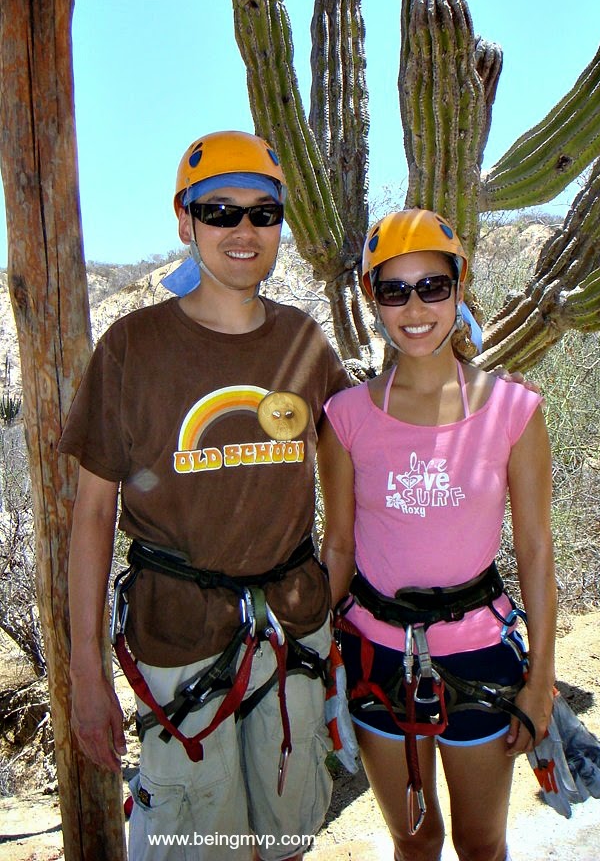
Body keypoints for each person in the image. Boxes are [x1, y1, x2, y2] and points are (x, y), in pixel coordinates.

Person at [59, 130, 351, 861]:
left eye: (262, 212)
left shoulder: (304, 343)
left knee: (287, 837)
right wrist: (86, 672)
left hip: (292, 635)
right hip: (178, 643)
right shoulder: (132, 348)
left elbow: (350, 450)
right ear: (185, 219)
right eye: (219, 212)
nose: (243, 230)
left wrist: (335, 578)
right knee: (202, 845)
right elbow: (92, 515)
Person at [319, 209, 557, 861]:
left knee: (481, 843)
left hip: (480, 654)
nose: (416, 308)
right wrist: (307, 656)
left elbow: (536, 549)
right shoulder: (344, 418)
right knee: (415, 839)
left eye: (433, 286)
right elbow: (338, 547)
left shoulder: (514, 411)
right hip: (375, 656)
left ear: (459, 287)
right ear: (372, 298)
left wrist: (541, 677)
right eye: (395, 291)